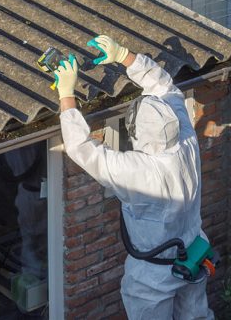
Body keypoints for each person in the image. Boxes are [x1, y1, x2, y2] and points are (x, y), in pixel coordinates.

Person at [54, 35, 214, 319]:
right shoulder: (186, 140)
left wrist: (67, 94)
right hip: (193, 253)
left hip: (154, 272)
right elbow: (166, 87)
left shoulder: (137, 171)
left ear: (136, 133)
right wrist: (124, 55)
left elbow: (80, 148)